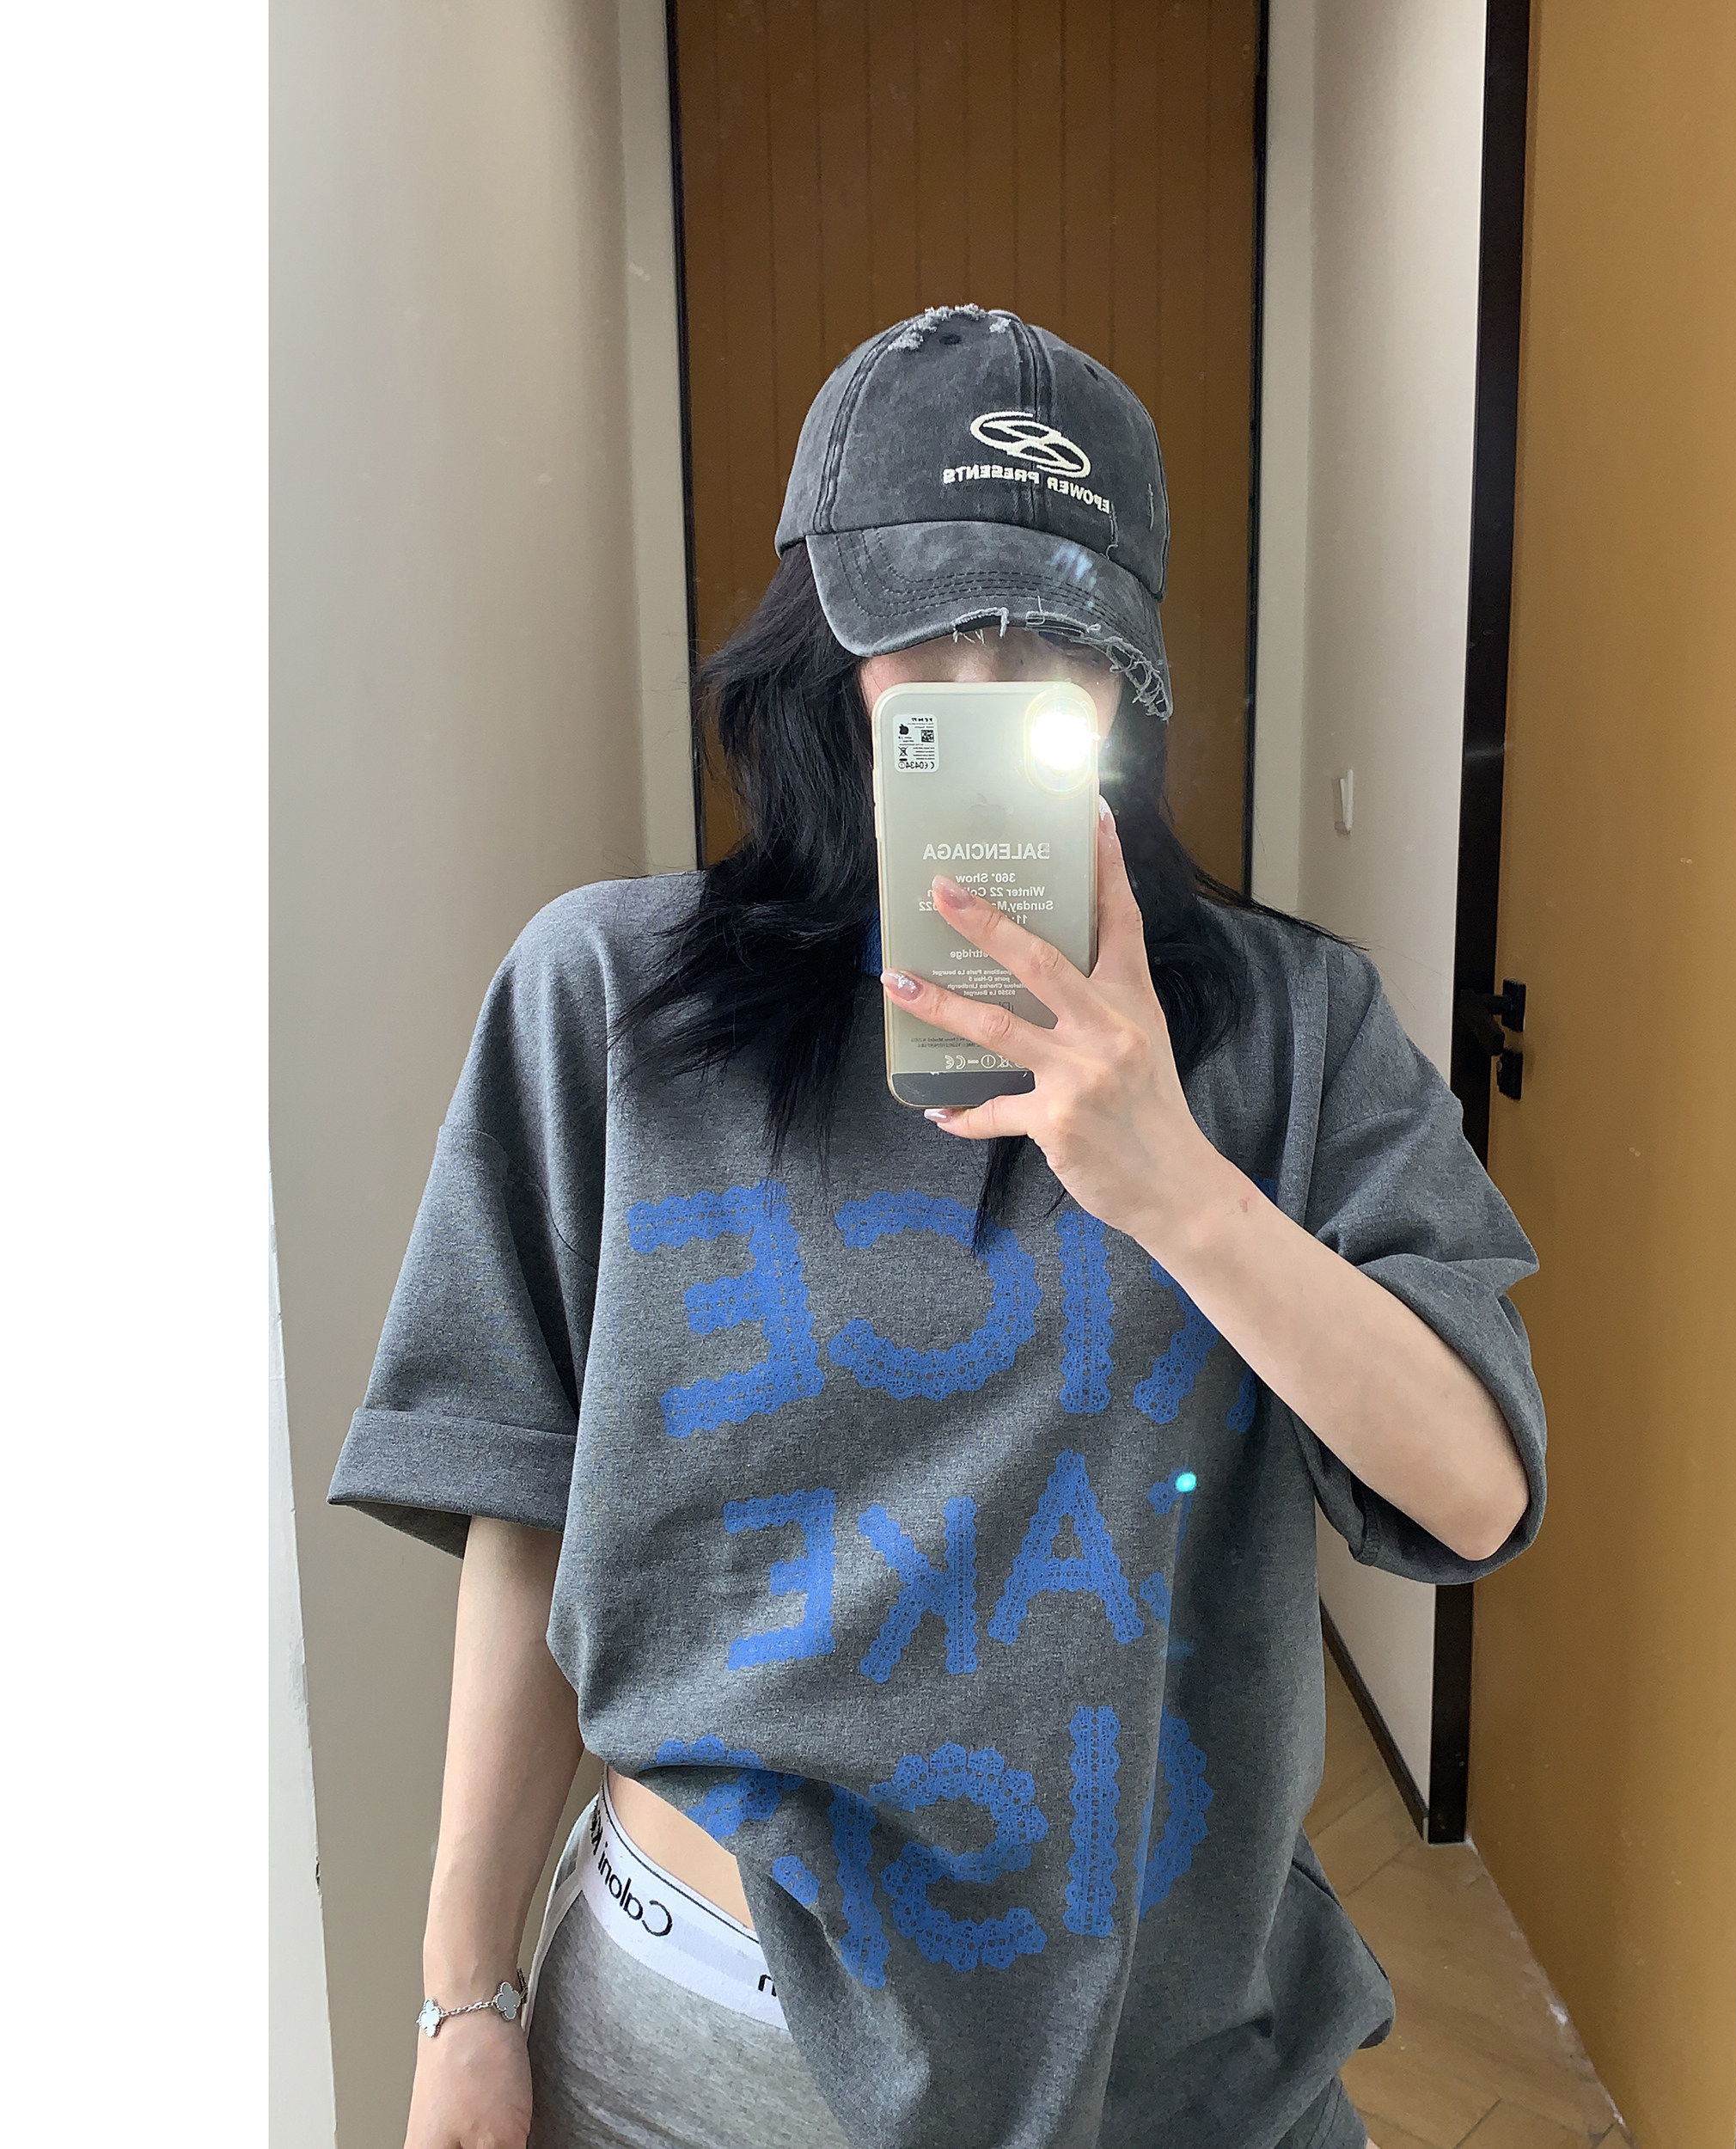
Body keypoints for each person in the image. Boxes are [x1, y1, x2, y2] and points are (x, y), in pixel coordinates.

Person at [330, 303, 1547, 2149]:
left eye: (1051, 642)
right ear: (819, 636)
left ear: (1126, 682)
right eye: (933, 625)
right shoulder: (606, 1001)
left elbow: (1470, 1490)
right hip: (685, 2060)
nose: (985, 686)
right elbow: (529, 1509)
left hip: (1157, 2069)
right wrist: (463, 1996)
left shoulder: (1291, 1031)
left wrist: (1171, 1177)